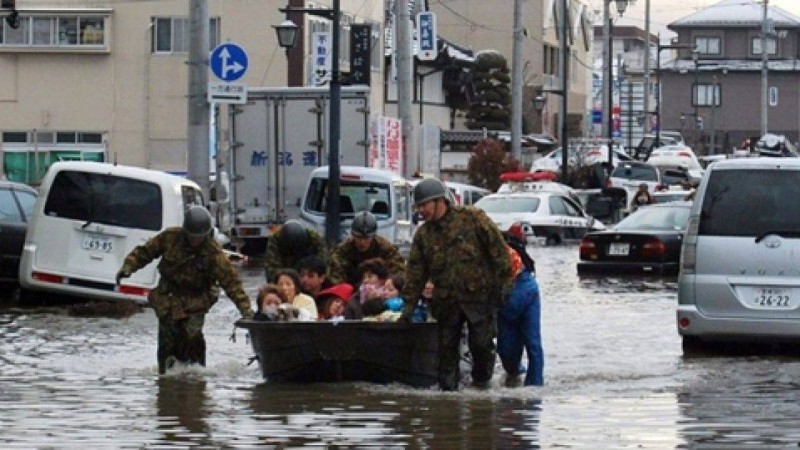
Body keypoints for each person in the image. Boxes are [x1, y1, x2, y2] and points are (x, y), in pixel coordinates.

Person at [400, 178, 513, 391]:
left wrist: (506, 285)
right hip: (446, 303)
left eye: (424, 205)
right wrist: (408, 308)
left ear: (439, 201)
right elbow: (415, 274)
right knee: (446, 354)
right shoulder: (424, 235)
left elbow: (499, 253)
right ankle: (448, 403)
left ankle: (481, 389)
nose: (420, 210)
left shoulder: (473, 219)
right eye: (419, 206)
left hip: (478, 299)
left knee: (481, 346)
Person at [116, 205, 254, 374]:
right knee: (167, 339)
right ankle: (165, 379)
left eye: (198, 238)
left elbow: (232, 284)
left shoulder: (213, 253)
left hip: (196, 299)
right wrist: (128, 267)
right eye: (191, 237)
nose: (194, 241)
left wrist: (247, 311)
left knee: (192, 336)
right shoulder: (170, 237)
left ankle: (196, 376)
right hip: (169, 296)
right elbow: (145, 252)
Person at [497, 227, 544, 387]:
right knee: (506, 349)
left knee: (533, 345)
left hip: (524, 293)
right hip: (507, 301)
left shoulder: (502, 253)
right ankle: (515, 374)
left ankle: (535, 388)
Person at [328, 211, 405, 287]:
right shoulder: (343, 250)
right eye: (359, 237)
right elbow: (336, 278)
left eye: (367, 238)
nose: (362, 242)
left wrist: (385, 287)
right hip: (350, 289)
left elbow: (399, 273)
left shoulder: (385, 248)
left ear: (373, 236)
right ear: (352, 235)